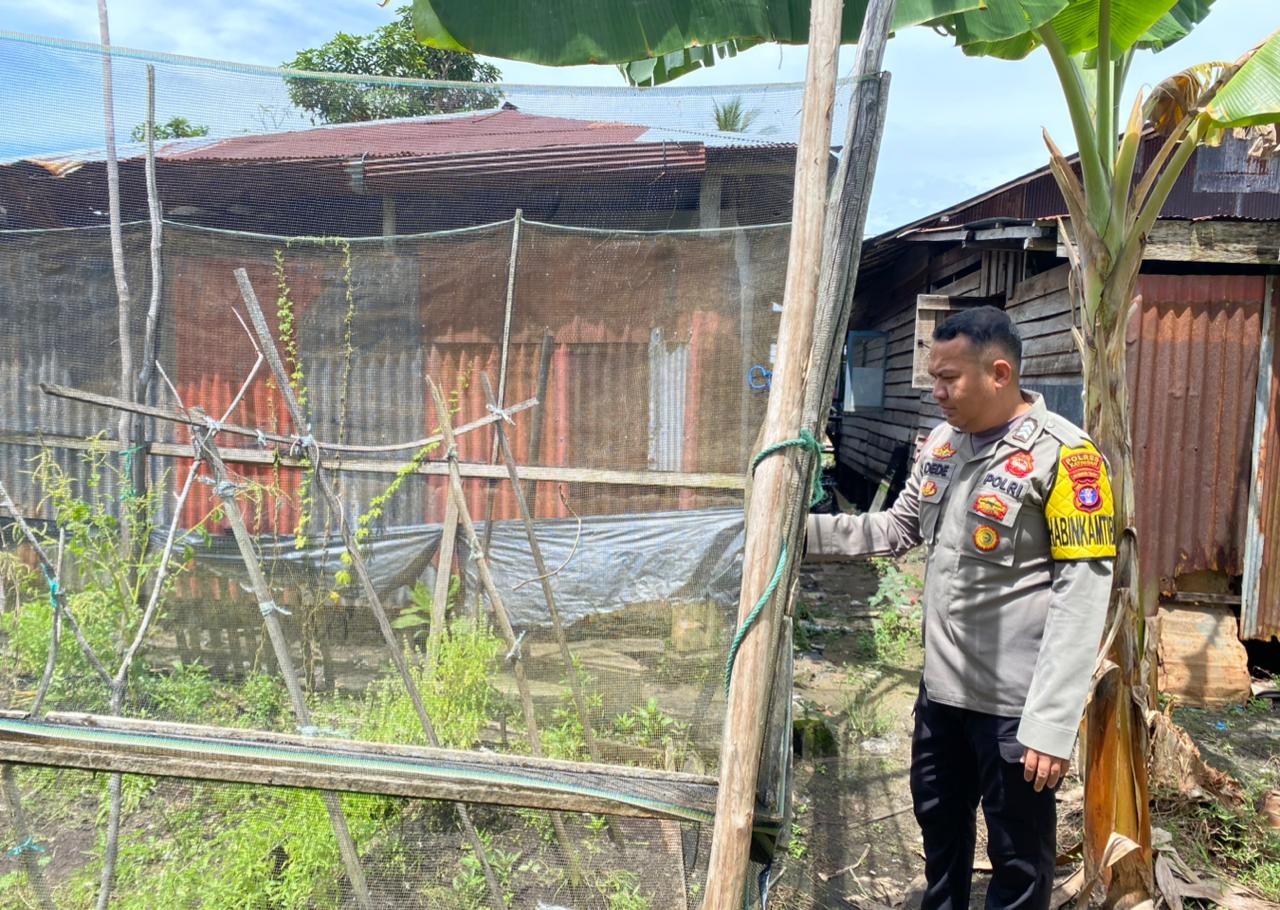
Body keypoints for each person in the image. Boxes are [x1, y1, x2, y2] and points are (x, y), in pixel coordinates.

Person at [806, 306, 1114, 910]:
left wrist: (1051, 726)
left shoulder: (1067, 459)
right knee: (940, 840)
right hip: (941, 700)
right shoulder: (944, 444)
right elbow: (895, 530)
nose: (936, 391)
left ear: (999, 374)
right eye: (932, 378)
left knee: (1019, 863)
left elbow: (1082, 597)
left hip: (1013, 715)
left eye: (949, 379)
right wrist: (795, 534)